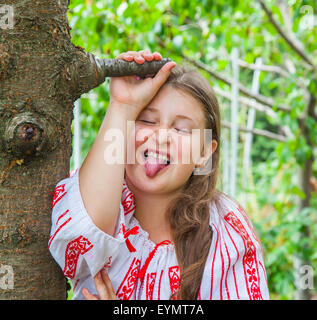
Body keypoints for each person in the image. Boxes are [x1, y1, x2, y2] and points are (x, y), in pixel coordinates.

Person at [48, 50, 269, 300]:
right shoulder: (101, 190)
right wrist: (122, 106)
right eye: (147, 121)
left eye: (181, 129)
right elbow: (76, 244)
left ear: (205, 151)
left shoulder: (224, 229)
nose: (161, 136)